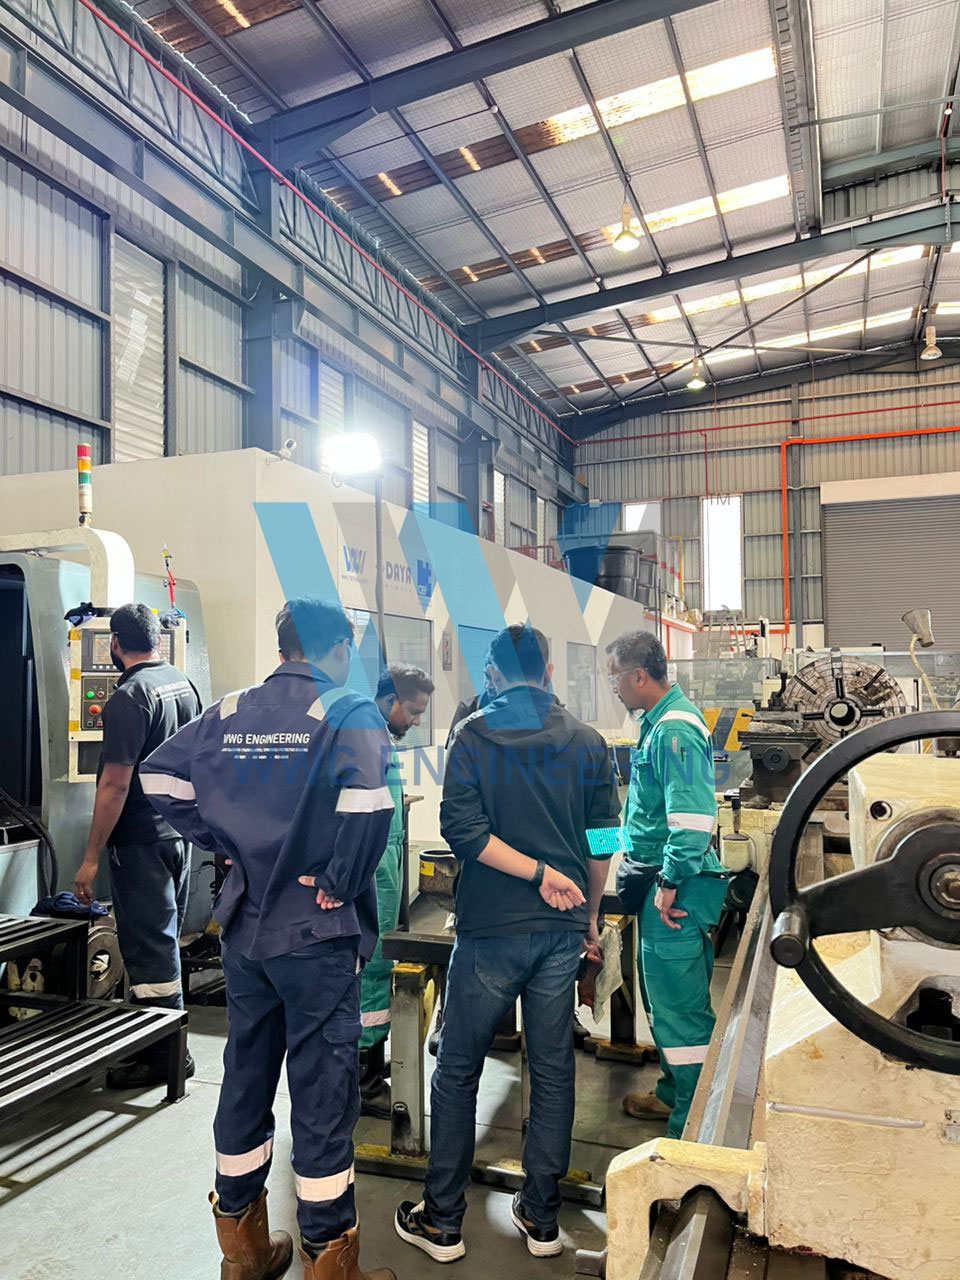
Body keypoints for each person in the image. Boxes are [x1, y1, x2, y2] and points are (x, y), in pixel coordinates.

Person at [139, 597, 397, 1280]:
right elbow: (372, 804)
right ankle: (329, 1258)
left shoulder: (229, 711)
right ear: (337, 648)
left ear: (282, 647)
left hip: (246, 931)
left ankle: (243, 1250)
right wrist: (341, 879)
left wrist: (223, 842)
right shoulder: (347, 711)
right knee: (322, 1092)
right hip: (315, 934)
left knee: (246, 1077)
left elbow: (158, 776)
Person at [395, 624, 621, 1264]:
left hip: (491, 929)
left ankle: (443, 1221)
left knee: (458, 1068)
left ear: (493, 675)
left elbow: (463, 832)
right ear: (548, 672)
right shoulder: (588, 741)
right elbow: (604, 840)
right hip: (560, 932)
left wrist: (533, 873)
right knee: (552, 1070)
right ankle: (542, 1219)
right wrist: (587, 913)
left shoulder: (473, 736)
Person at [73, 603, 201, 1088]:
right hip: (179, 833)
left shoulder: (129, 697)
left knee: (150, 950)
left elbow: (114, 785)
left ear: (114, 643)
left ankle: (166, 1058)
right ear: (158, 640)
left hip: (140, 840)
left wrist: (90, 857)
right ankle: (163, 1045)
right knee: (164, 944)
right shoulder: (181, 683)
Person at [605, 630, 724, 1141]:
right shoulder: (656, 724)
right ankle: (675, 1095)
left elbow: (692, 818)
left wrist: (671, 880)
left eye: (615, 678)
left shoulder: (674, 728)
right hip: (658, 880)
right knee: (663, 1004)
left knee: (680, 1013)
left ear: (638, 676)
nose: (614, 688)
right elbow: (645, 814)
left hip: (675, 890)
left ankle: (690, 1132)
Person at [359, 662, 435, 1117]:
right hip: (373, 869)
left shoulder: (378, 734)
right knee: (372, 965)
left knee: (378, 963)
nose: (418, 720)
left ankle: (369, 1059)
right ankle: (363, 1078)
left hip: (384, 862)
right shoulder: (366, 735)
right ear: (390, 701)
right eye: (414, 711)